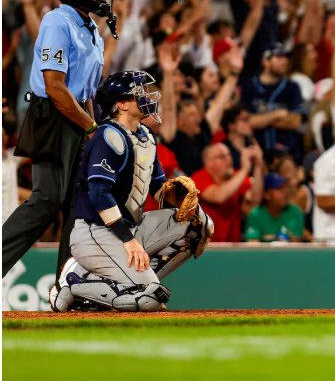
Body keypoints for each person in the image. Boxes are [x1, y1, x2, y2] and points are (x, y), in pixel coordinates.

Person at [49, 70, 213, 312]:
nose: (147, 96)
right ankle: (74, 283)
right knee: (150, 298)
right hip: (95, 233)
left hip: (130, 228)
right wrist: (129, 241)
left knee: (198, 222)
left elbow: (157, 188)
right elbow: (99, 194)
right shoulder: (108, 136)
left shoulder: (146, 135)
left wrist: (177, 195)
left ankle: (119, 279)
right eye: (139, 94)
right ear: (122, 104)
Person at [3, 0, 116, 280]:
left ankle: (69, 285)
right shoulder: (56, 21)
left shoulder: (92, 28)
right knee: (47, 199)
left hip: (80, 117)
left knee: (79, 207)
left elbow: (88, 92)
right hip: (52, 116)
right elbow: (54, 86)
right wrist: (91, 127)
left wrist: (94, 133)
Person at [240, 44, 305, 161]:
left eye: (285, 57)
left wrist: (260, 120)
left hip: (287, 154)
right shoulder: (249, 86)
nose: (284, 61)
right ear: (266, 61)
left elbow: (295, 121)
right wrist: (277, 114)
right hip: (256, 153)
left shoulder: (292, 87)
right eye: (279, 57)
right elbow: (247, 122)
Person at [192, 142, 264, 243]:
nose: (229, 159)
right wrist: (245, 170)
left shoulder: (237, 177)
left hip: (231, 245)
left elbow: (255, 199)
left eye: (229, 154)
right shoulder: (199, 178)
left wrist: (257, 166)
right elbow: (219, 196)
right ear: (209, 162)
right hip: (204, 247)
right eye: (222, 157)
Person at [243, 173, 304, 242]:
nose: (285, 191)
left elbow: (295, 247)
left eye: (285, 187)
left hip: (287, 252)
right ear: (267, 194)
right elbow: (253, 246)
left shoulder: (295, 212)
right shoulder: (255, 214)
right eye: (279, 188)